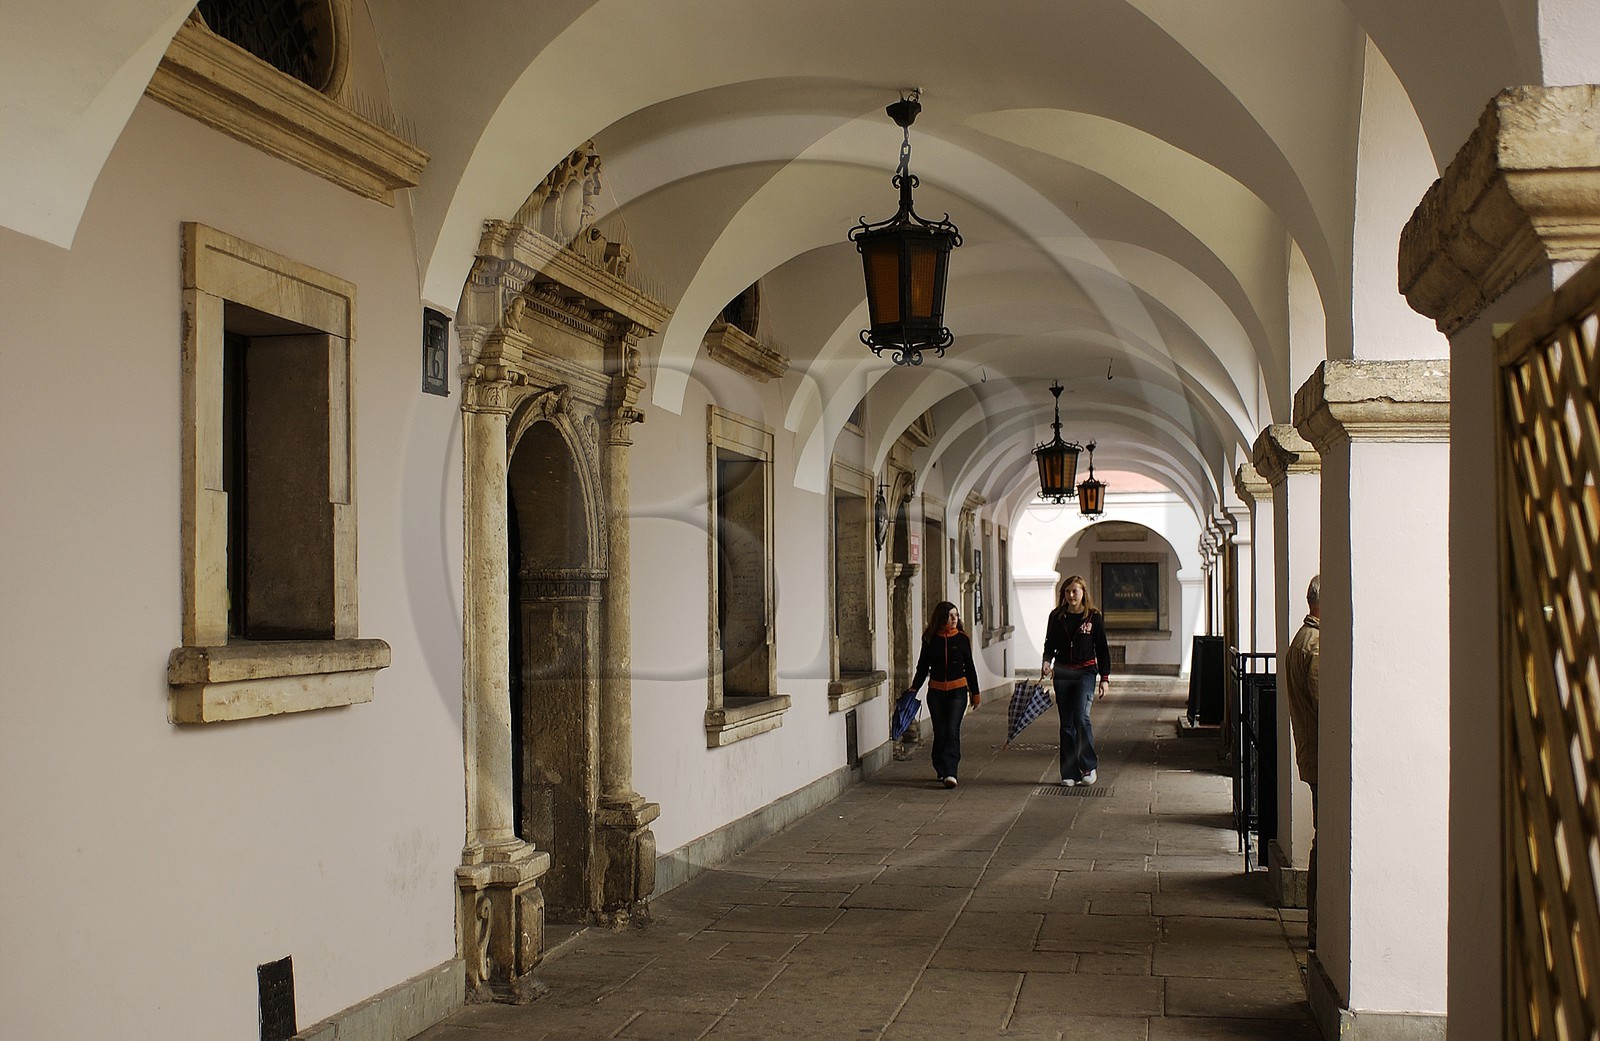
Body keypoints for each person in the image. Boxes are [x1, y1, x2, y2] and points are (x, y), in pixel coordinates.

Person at [1040, 575, 1111, 786]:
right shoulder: (1056, 617)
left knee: (1082, 718)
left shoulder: (1093, 618)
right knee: (1066, 725)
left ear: (1083, 593)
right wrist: (1046, 661)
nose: (1071, 595)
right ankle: (1069, 773)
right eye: (1067, 591)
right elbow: (1049, 644)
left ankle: (1089, 766)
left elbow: (1102, 649)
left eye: (1075, 591)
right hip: (1062, 674)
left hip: (1085, 673)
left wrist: (1104, 678)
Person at [1283, 574, 1321, 949]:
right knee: (1323, 844)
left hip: (1313, 755)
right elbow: (1325, 704)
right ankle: (1317, 927)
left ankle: (1317, 926)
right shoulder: (1316, 644)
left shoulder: (1302, 638)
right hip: (1322, 758)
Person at [907, 601, 981, 789]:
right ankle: (940, 766)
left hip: (958, 691)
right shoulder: (930, 639)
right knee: (940, 731)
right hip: (936, 692)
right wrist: (914, 687)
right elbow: (923, 667)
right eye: (950, 615)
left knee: (951, 730)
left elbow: (969, 667)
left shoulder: (962, 639)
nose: (954, 619)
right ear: (941, 618)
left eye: (956, 615)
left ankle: (951, 771)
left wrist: (975, 692)